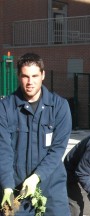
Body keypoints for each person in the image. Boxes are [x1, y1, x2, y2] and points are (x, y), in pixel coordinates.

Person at [0, 53, 72, 215]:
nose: (30, 82)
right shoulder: (4, 108)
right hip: (17, 188)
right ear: (18, 76)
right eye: (25, 76)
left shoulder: (59, 106)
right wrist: (7, 186)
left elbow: (57, 149)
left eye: (35, 76)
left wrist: (36, 177)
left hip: (52, 186)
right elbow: (3, 150)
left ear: (43, 75)